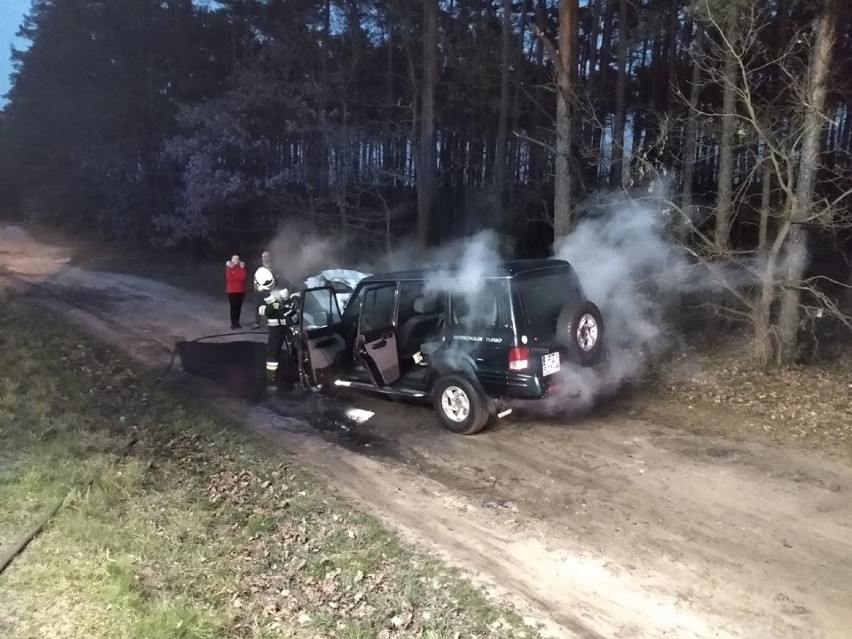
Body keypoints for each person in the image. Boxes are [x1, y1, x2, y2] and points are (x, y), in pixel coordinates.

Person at [258, 287, 299, 385]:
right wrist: (273, 306)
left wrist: (294, 299)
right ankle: (271, 374)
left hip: (289, 324)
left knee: (295, 347)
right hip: (276, 327)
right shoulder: (264, 293)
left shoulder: (284, 283)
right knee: (273, 349)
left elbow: (296, 292)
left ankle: (297, 371)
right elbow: (261, 310)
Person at [252, 250, 276, 329]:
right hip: (259, 290)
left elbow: (276, 278)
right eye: (263, 256)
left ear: (270, 257)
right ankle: (257, 323)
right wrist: (256, 287)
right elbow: (254, 277)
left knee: (268, 306)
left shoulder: (273, 267)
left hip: (269, 290)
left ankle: (268, 322)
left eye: (266, 256)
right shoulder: (258, 266)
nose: (265, 258)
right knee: (257, 306)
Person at [225, 254, 247, 330]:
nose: (236, 260)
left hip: (241, 290)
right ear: (231, 260)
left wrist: (237, 275)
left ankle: (237, 322)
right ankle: (233, 323)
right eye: (234, 259)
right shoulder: (229, 268)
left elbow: (243, 277)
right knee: (233, 307)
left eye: (237, 259)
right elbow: (229, 278)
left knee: (239, 307)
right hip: (232, 290)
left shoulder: (241, 267)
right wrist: (238, 277)